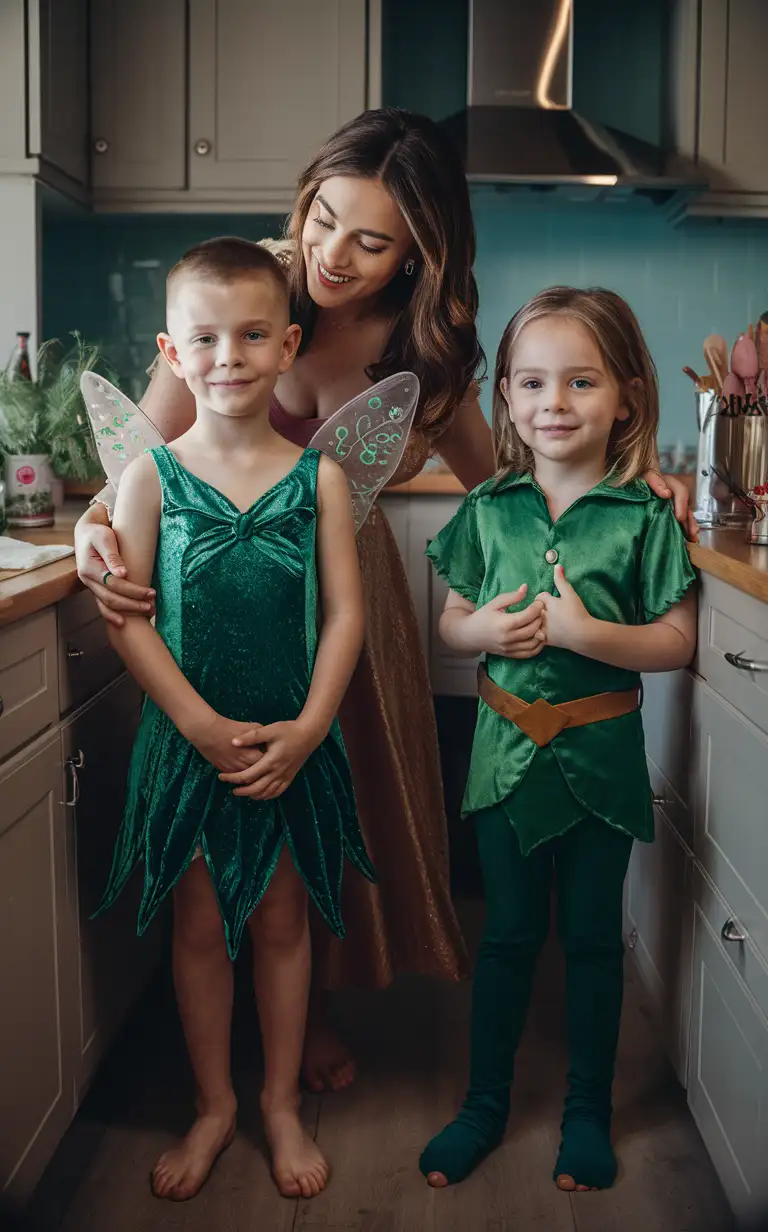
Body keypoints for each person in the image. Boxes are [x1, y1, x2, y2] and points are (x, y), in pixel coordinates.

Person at [72, 109, 696, 1095]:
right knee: (222, 812)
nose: (332, 255)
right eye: (323, 219)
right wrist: (88, 529)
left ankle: (310, 1011)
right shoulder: (246, 294)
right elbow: (130, 459)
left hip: (352, 617)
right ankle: (227, 1022)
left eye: (370, 242)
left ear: (420, 253)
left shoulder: (430, 348)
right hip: (222, 608)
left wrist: (631, 478)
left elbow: (513, 480)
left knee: (335, 812)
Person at [96, 238, 374, 1202]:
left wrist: (304, 731)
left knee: (287, 921)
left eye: (254, 335)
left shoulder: (321, 479)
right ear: (171, 355)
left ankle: (279, 1098)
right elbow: (130, 626)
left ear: (288, 344)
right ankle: (214, 1102)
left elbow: (347, 616)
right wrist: (201, 726)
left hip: (292, 744)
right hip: (189, 744)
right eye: (205, 338)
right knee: (201, 924)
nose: (229, 356)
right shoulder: (149, 480)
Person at [418, 286, 698, 1194]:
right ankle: (483, 1105)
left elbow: (678, 641)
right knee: (503, 936)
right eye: (532, 382)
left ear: (626, 393)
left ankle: (587, 1110)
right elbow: (450, 622)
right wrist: (479, 637)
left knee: (589, 941)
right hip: (501, 763)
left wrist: (587, 636)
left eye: (582, 382)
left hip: (601, 769)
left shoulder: (649, 517)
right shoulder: (489, 507)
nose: (555, 404)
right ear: (504, 395)